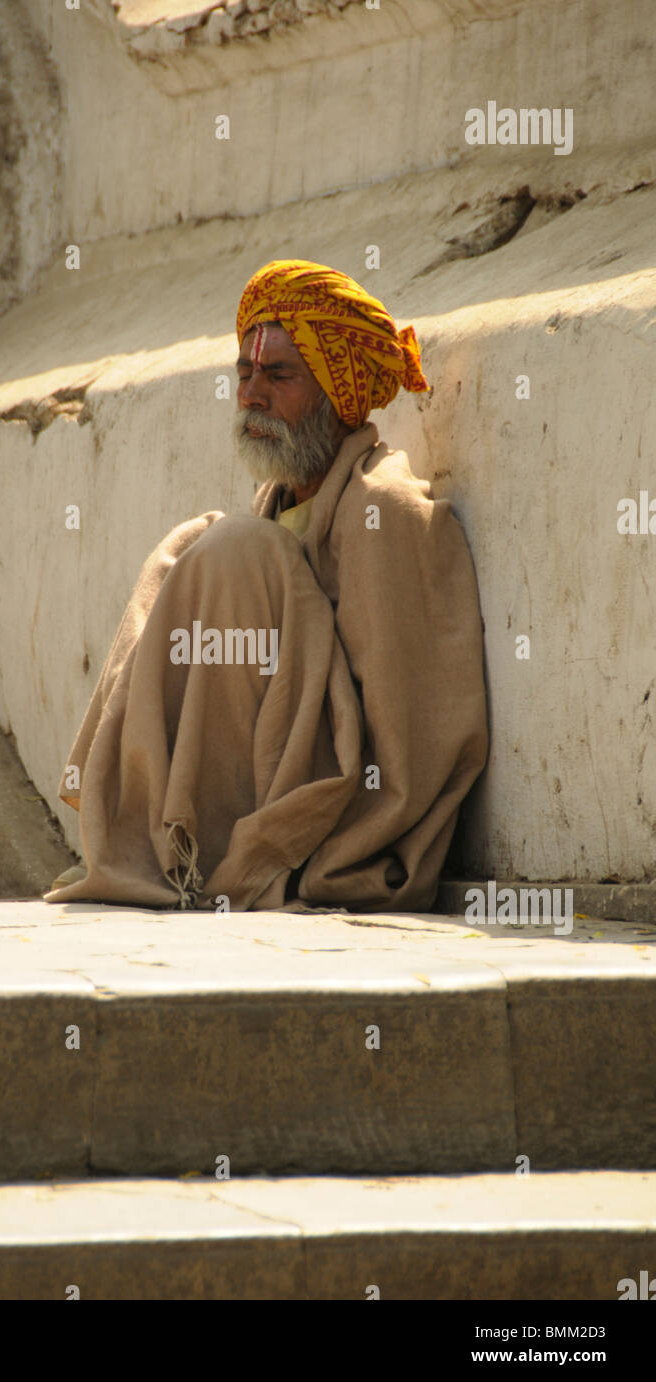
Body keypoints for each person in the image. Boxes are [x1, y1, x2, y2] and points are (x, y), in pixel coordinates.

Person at [45, 259, 488, 912]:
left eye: (278, 376)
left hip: (324, 828)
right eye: (245, 375)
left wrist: (349, 862)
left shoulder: (383, 510)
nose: (252, 395)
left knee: (231, 547)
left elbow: (414, 736)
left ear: (338, 393)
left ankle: (216, 858)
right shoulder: (273, 503)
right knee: (190, 545)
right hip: (270, 790)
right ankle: (162, 846)